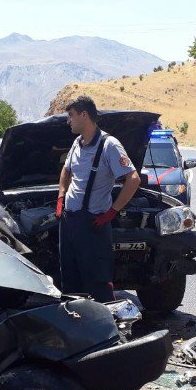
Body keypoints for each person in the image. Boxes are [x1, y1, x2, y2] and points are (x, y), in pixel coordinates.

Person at [56, 96, 141, 302]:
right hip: (69, 223)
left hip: (93, 225)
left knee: (97, 282)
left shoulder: (109, 145)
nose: (69, 121)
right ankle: (77, 328)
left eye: (71, 116)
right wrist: (61, 196)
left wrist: (112, 212)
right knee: (70, 281)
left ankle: (107, 329)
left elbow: (133, 178)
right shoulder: (77, 143)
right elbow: (66, 170)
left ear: (84, 115)